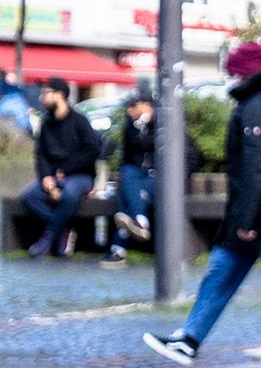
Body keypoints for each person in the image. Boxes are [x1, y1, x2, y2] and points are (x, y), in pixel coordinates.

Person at [142, 43, 261, 368]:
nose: (229, 78)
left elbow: (255, 166)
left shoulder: (260, 106)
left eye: (233, 72)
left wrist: (246, 220)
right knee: (221, 272)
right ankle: (189, 340)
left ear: (246, 73)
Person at [20, 77, 100, 259]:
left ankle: (47, 239)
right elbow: (40, 155)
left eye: (45, 93)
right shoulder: (47, 124)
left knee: (69, 195)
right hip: (54, 176)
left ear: (59, 95)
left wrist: (66, 169)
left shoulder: (79, 121)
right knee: (29, 197)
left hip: (80, 176)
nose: (41, 98)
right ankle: (62, 229)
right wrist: (46, 177)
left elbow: (92, 149)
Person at [102, 94, 160, 268]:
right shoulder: (130, 125)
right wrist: (137, 128)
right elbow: (128, 156)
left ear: (146, 105)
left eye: (133, 106)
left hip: (157, 176)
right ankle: (140, 220)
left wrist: (145, 126)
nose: (129, 110)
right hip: (136, 174)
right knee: (128, 176)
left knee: (127, 197)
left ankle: (118, 249)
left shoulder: (162, 123)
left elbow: (155, 146)